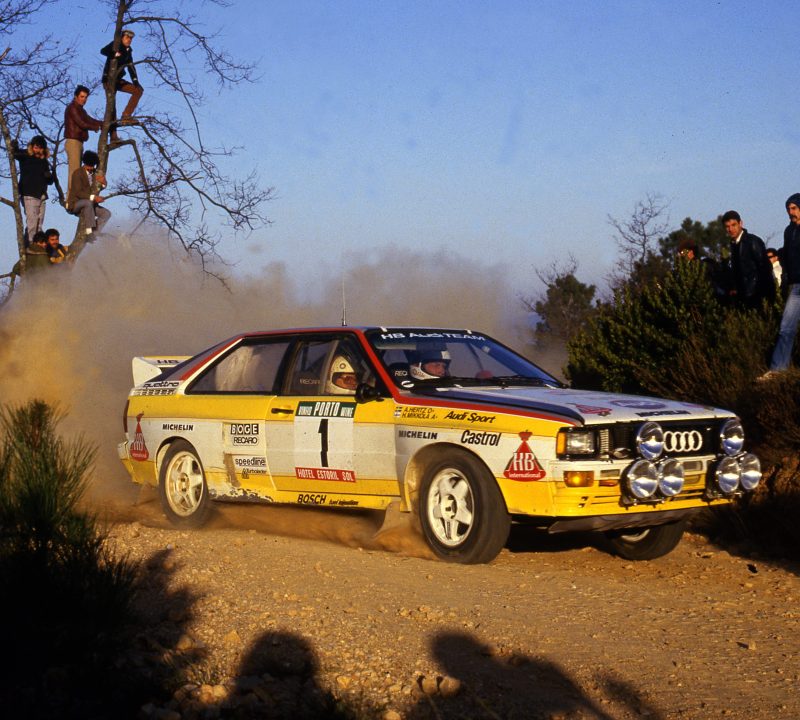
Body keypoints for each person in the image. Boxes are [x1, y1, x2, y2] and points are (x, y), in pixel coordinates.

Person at [760, 194, 800, 379]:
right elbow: (786, 257)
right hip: (796, 286)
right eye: (788, 209)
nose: (790, 212)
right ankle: (778, 370)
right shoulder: (789, 231)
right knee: (786, 327)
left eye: (794, 208)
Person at [722, 210, 774, 309]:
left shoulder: (752, 241)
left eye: (733, 225)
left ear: (740, 223)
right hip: (744, 296)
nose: (731, 229)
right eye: (727, 226)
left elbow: (765, 268)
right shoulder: (733, 244)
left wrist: (762, 295)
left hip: (756, 295)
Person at [101, 29, 143, 142]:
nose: (129, 40)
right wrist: (114, 54)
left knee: (138, 90)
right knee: (112, 106)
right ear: (121, 38)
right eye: (127, 38)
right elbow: (103, 51)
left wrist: (135, 81)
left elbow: (131, 67)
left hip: (119, 80)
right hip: (109, 80)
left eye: (131, 39)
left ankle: (126, 116)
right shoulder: (116, 45)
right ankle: (113, 136)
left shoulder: (128, 51)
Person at [12, 135, 53, 247]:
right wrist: (14, 146)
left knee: (39, 223)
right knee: (32, 223)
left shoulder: (44, 161)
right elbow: (15, 154)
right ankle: (31, 245)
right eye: (36, 147)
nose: (38, 150)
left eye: (40, 148)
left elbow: (49, 181)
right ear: (32, 147)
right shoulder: (26, 155)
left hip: (42, 195)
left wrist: (49, 176)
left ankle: (39, 245)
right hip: (29, 194)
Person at [64, 85, 103, 198]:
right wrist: (95, 127)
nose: (84, 99)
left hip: (79, 142)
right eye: (82, 96)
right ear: (76, 96)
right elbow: (81, 123)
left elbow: (89, 120)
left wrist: (103, 123)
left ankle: (77, 196)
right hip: (73, 141)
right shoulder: (72, 108)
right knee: (75, 171)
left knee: (79, 171)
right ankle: (70, 199)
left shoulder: (81, 110)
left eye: (86, 97)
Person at [66, 150, 111, 237]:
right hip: (75, 204)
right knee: (88, 202)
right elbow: (78, 193)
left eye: (92, 166)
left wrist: (104, 183)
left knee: (106, 214)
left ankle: (95, 232)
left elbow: (98, 187)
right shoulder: (77, 173)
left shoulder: (94, 173)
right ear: (85, 163)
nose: (91, 168)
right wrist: (94, 198)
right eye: (89, 166)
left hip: (90, 204)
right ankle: (89, 231)